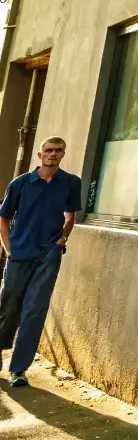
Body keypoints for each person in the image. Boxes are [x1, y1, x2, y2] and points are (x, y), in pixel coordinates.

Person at [0, 135, 82, 387]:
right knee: (8, 305)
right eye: (49, 150)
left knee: (35, 309)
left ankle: (19, 369)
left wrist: (62, 240)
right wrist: (9, 249)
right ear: (40, 154)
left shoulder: (70, 183)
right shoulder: (21, 184)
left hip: (48, 255)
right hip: (20, 254)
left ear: (63, 154)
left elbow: (70, 216)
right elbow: (3, 218)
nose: (53, 154)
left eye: (58, 150)